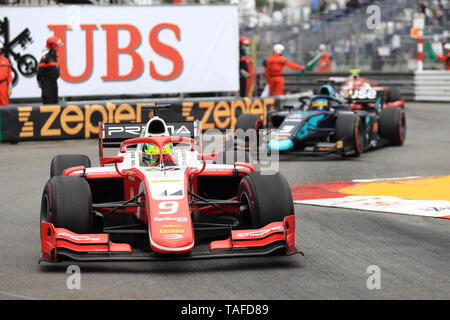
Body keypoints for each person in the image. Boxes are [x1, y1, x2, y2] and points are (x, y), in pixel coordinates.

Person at [37, 36, 63, 104]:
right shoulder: (45, 58)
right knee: (48, 103)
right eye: (57, 45)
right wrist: (41, 83)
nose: (58, 47)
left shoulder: (56, 57)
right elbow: (39, 73)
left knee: (55, 103)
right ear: (52, 46)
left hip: (54, 83)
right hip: (47, 84)